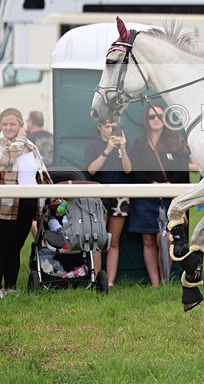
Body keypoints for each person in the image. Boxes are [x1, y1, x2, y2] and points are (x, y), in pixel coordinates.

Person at [0, 107, 52, 299]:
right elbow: (5, 159)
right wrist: (21, 139)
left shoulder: (31, 146)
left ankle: (11, 288)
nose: (8, 127)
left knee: (15, 248)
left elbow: (42, 173)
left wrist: (54, 193)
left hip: (27, 203)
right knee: (0, 247)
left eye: (13, 124)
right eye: (4, 124)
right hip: (0, 206)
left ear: (21, 125)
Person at [128, 104, 190, 288]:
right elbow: (134, 170)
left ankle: (165, 281)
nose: (156, 120)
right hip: (146, 196)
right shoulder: (139, 144)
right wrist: (151, 184)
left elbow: (183, 171)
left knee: (166, 238)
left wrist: (170, 185)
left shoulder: (176, 142)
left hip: (170, 198)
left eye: (160, 116)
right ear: (146, 121)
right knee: (148, 239)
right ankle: (155, 284)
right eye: (152, 117)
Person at [85, 120, 132, 288]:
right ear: (99, 127)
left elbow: (128, 170)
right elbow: (91, 170)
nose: (111, 130)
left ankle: (110, 282)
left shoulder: (122, 145)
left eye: (114, 127)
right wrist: (107, 150)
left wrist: (123, 149)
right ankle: (98, 280)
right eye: (107, 127)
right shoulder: (93, 145)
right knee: (98, 239)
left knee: (114, 240)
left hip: (119, 195)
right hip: (99, 196)